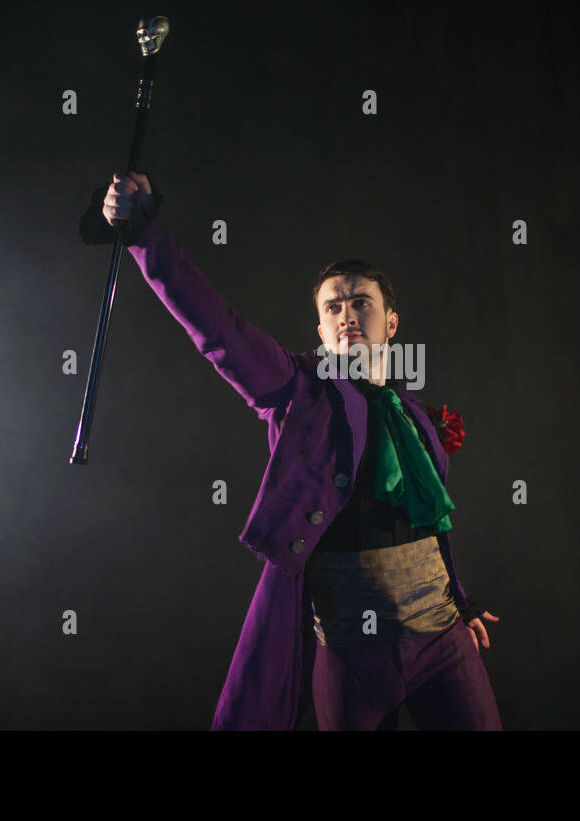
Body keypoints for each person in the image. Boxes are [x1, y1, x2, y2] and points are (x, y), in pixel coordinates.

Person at [79, 172, 502, 730]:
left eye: (361, 304)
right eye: (334, 308)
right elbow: (218, 329)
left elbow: (428, 524)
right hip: (352, 654)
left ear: (391, 323)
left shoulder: (416, 417)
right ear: (321, 330)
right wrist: (145, 237)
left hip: (444, 642)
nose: (347, 315)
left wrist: (461, 602)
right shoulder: (299, 390)